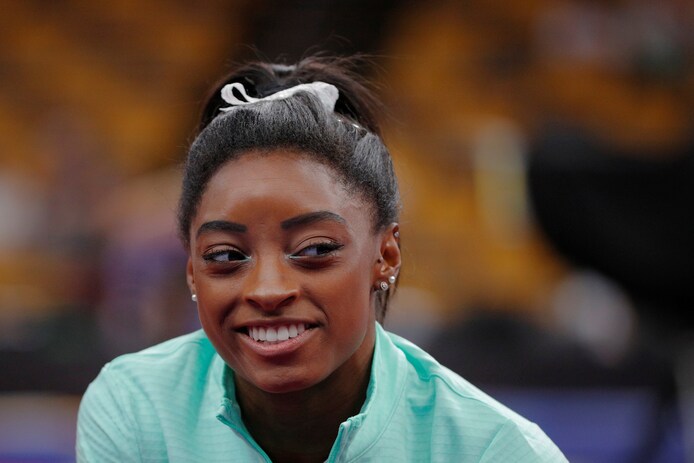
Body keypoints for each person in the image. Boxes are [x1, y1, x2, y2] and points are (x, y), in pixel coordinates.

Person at [76, 56, 567, 462]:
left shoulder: (495, 451)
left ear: (386, 255)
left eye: (314, 250)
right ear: (192, 273)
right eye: (225, 255)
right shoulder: (136, 410)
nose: (268, 290)